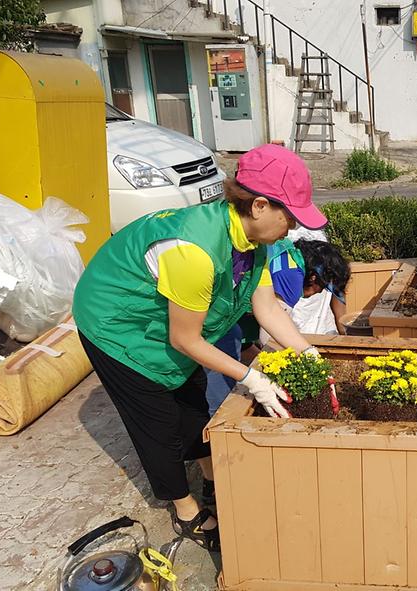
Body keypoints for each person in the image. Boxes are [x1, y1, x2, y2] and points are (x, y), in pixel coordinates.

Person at [72, 144, 327, 551]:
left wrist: (307, 351)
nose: (293, 227)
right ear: (260, 205)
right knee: (157, 421)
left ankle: (213, 477)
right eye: (290, 216)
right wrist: (250, 377)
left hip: (164, 321)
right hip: (115, 323)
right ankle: (186, 510)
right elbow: (185, 339)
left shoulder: (253, 243)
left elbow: (265, 307)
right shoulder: (195, 250)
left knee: (190, 401)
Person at [205, 238, 351, 412]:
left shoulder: (289, 253)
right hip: (211, 318)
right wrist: (294, 371)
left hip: (222, 311)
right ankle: (221, 424)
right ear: (314, 277)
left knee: (236, 337)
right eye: (322, 288)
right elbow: (270, 336)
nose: (318, 292)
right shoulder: (293, 277)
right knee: (225, 400)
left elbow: (252, 335)